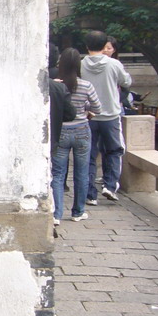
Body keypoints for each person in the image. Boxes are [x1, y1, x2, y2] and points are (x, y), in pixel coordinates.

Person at [51, 49, 101, 225]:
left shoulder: (56, 84)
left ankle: (56, 214)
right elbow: (98, 108)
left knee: (58, 173)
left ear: (60, 64)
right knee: (82, 172)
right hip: (81, 130)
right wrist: (86, 110)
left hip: (61, 130)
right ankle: (78, 211)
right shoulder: (86, 85)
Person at [81, 31, 132, 203]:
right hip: (110, 115)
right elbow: (127, 82)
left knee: (89, 155)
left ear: (87, 46)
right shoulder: (114, 64)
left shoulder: (81, 65)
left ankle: (90, 195)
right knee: (114, 151)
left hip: (89, 116)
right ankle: (110, 186)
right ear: (104, 46)